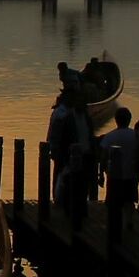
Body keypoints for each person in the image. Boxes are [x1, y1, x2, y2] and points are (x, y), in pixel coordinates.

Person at [45, 90, 92, 224]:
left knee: (82, 183)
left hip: (85, 154)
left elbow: (90, 135)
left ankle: (81, 208)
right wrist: (58, 152)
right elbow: (61, 137)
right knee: (68, 181)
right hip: (70, 154)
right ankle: (64, 206)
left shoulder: (86, 117)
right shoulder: (67, 117)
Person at [97, 108, 139, 206]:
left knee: (112, 202)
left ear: (116, 120)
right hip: (131, 174)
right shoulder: (136, 136)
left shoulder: (109, 137)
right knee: (129, 202)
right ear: (129, 119)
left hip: (114, 176)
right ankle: (129, 220)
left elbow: (103, 158)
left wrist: (101, 174)